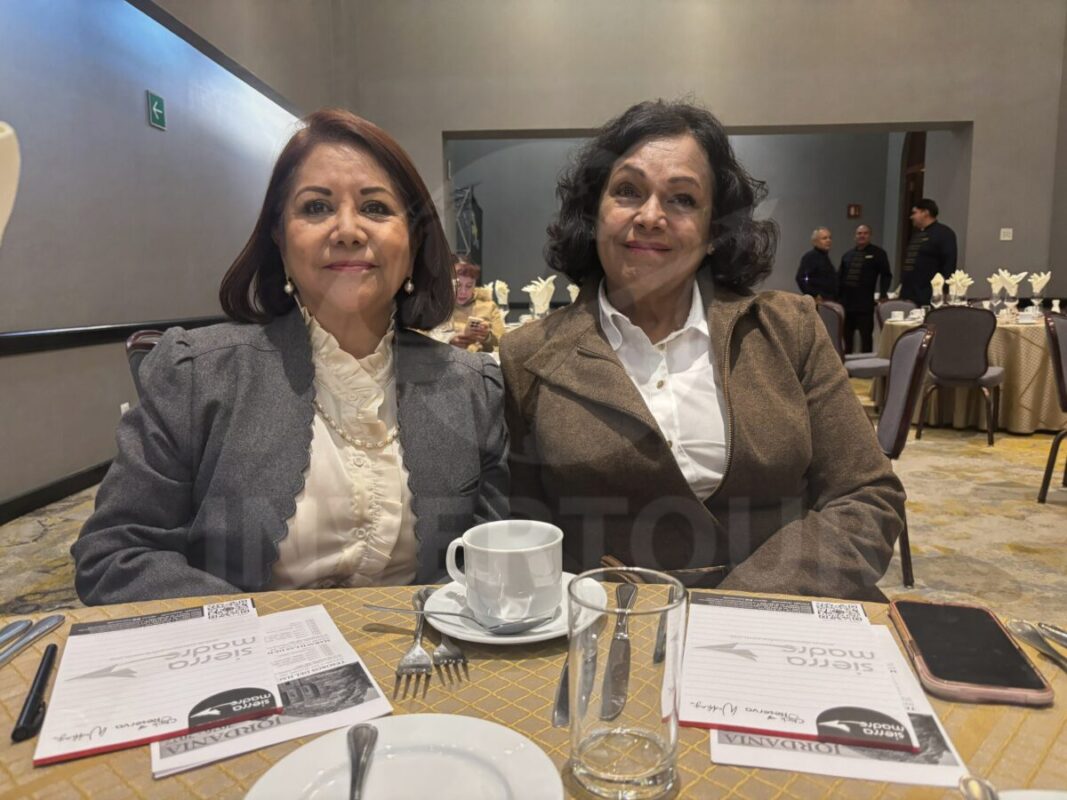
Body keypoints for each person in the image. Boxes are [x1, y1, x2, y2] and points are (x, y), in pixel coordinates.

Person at [72, 109, 509, 605]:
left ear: (414, 241)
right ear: (279, 237)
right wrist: (258, 628)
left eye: (376, 208)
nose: (348, 230)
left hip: (421, 650)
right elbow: (114, 554)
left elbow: (492, 561)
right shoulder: (198, 373)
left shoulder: (474, 388)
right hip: (242, 649)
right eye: (317, 207)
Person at [500, 100, 905, 601]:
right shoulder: (527, 356)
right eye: (627, 191)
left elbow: (866, 497)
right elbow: (526, 532)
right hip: (616, 624)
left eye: (682, 199)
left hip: (784, 613)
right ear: (594, 214)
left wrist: (737, 604)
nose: (650, 216)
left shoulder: (789, 329)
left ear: (715, 232)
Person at [838, 224, 892, 354]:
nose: (862, 236)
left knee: (866, 339)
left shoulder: (878, 253)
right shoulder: (847, 255)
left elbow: (886, 275)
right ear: (855, 236)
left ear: (870, 235)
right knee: (847, 340)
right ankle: (847, 365)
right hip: (847, 305)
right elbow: (839, 278)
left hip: (865, 306)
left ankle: (866, 365)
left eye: (865, 233)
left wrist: (883, 294)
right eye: (859, 233)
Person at [900, 198, 957, 306]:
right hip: (908, 293)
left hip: (928, 294)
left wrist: (942, 292)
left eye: (914, 213)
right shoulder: (916, 235)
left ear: (925, 213)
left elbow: (949, 265)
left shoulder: (944, 234)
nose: (911, 217)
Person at [446, 257, 505, 352]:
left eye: (469, 286)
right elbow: (424, 338)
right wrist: (448, 340)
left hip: (481, 358)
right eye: (458, 285)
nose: (463, 292)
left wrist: (487, 337)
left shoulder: (488, 306)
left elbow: (503, 343)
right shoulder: (439, 306)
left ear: (475, 285)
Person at [795, 227, 837, 300]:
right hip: (818, 301)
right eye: (824, 238)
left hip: (829, 300)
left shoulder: (825, 257)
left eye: (830, 238)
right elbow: (802, 278)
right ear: (815, 242)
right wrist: (814, 295)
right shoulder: (810, 257)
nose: (828, 240)